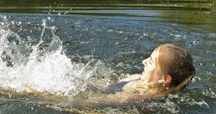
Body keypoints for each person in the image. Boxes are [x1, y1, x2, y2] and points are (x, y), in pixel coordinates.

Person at [26, 43, 195, 106]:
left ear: (164, 79)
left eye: (150, 62)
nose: (144, 62)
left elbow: (88, 103)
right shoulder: (145, 82)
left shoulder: (143, 97)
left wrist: (42, 96)